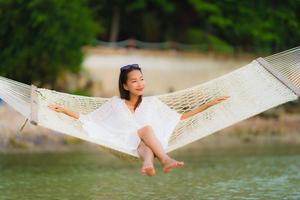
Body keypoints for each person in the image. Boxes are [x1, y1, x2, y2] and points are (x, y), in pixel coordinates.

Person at [48, 64, 229, 176]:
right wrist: (64, 110)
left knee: (145, 138)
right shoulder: (115, 104)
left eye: (142, 79)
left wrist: (208, 105)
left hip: (145, 144)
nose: (140, 83)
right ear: (125, 85)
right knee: (146, 130)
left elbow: (178, 118)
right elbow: (90, 119)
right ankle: (165, 160)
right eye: (134, 81)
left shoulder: (152, 103)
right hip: (121, 141)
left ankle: (148, 164)